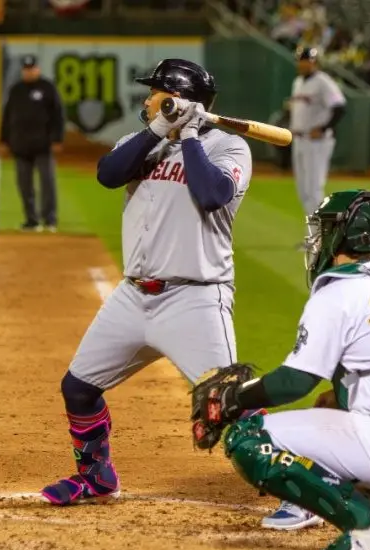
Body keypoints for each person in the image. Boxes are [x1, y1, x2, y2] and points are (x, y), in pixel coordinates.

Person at [191, 189, 370, 550]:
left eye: (325, 229)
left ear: (345, 235)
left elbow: (294, 382)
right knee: (331, 406)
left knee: (248, 438)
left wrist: (234, 399)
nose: (317, 239)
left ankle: (367, 524)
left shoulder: (339, 292)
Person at [39, 59, 254, 505]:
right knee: (78, 388)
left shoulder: (229, 149)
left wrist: (190, 135)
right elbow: (108, 173)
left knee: (230, 402)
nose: (145, 99)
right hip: (133, 297)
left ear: (176, 97)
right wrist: (161, 130)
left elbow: (212, 194)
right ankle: (97, 476)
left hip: (195, 299)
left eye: (153, 92)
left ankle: (300, 492)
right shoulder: (141, 143)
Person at [285, 46, 346, 251]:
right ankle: (314, 237)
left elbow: (339, 107)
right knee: (303, 191)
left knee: (314, 189)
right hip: (299, 139)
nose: (303, 63)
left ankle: (321, 239)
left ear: (315, 62)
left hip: (317, 142)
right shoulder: (297, 82)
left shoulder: (323, 81)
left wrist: (323, 127)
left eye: (307, 60)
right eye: (300, 60)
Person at [0, 54, 65, 232]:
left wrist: (57, 138)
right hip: (20, 146)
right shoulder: (16, 90)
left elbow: (58, 115)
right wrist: (3, 140)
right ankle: (31, 220)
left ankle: (50, 220)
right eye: (26, 69)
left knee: (47, 183)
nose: (29, 72)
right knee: (24, 185)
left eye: (31, 68)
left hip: (43, 146)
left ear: (37, 69)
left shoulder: (47, 88)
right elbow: (7, 116)